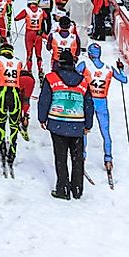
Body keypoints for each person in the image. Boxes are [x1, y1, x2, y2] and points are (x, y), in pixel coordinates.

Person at [38, 49, 94, 200]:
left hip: (57, 124)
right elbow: (88, 104)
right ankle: (77, 189)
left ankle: (62, 188)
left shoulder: (51, 78)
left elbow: (44, 99)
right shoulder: (83, 81)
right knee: (77, 158)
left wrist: (42, 118)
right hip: (77, 125)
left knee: (60, 157)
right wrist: (88, 124)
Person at [76, 44, 127, 173]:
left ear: (90, 54)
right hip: (102, 102)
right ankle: (108, 159)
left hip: (88, 102)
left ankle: (82, 157)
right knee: (105, 133)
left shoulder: (85, 65)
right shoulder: (109, 68)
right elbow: (124, 79)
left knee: (85, 130)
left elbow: (73, 74)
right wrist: (121, 69)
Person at [0, 39, 28, 171]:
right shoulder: (18, 62)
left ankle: (2, 144)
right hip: (15, 95)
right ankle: (13, 150)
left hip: (2, 94)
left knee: (1, 121)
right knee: (14, 125)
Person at [14, 0, 48, 78]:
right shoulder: (41, 11)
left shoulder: (26, 10)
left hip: (29, 34)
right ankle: (40, 71)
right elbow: (46, 17)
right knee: (38, 55)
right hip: (38, 34)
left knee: (29, 54)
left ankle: (29, 71)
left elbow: (16, 18)